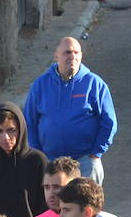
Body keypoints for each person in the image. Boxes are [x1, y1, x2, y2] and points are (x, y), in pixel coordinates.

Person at [23, 38, 117, 185]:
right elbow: (29, 122)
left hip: (85, 161)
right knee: (53, 206)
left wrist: (96, 152)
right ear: (56, 56)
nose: (72, 57)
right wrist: (38, 154)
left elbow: (109, 122)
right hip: (50, 162)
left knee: (86, 205)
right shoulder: (41, 85)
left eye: (76, 52)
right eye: (67, 52)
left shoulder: (94, 84)